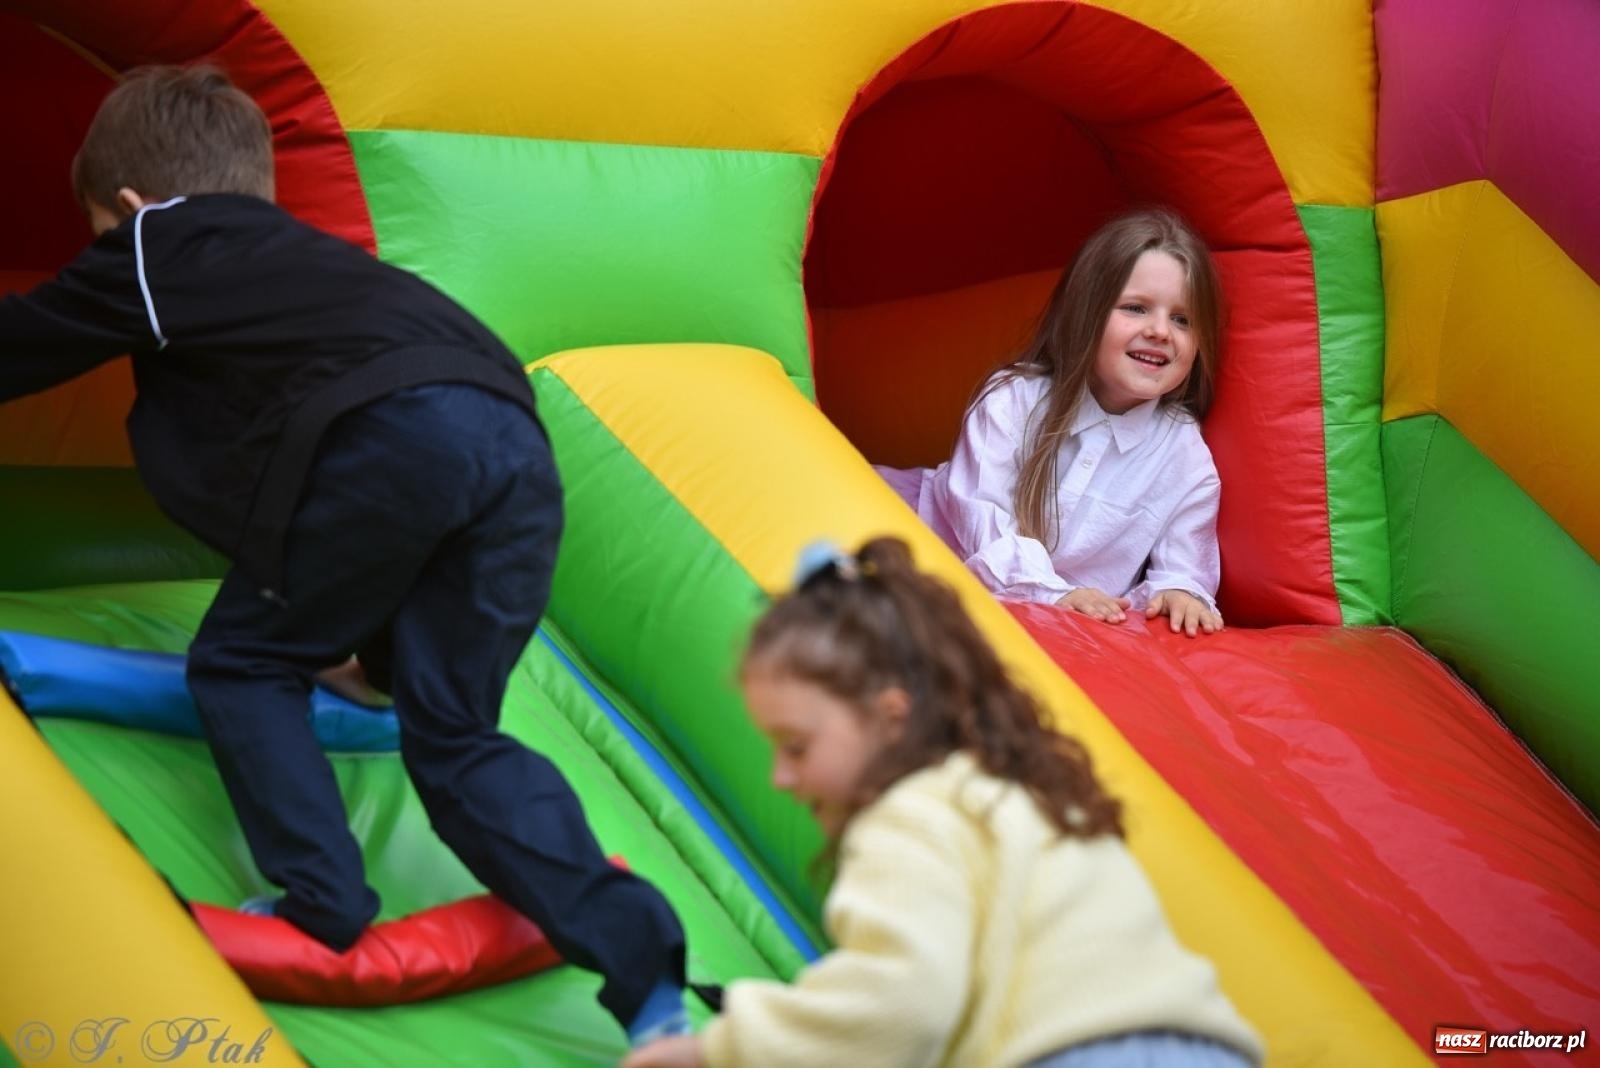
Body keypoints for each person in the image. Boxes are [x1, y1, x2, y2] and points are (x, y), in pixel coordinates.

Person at [0, 64, 688, 1044]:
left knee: (242, 662)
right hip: (515, 454)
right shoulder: (319, 271)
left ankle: (322, 899)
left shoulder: (160, 238)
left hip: (392, 437)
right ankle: (654, 990)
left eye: (99, 240)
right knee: (454, 739)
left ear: (127, 204)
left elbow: (21, 344)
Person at [625, 537, 1263, 1068]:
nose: (780, 778)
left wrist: (717, 1051)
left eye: (796, 747)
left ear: (890, 718)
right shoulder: (1022, 797)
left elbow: (897, 1004)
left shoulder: (911, 813)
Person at [879, 207, 1226, 637]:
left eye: (1182, 319)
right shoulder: (1014, 400)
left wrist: (1182, 590)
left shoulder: (1182, 451)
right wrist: (1052, 592)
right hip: (919, 532)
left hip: (1044, 616)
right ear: (1086, 314)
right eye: (1136, 308)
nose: (1160, 331)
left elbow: (1185, 562)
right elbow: (983, 519)